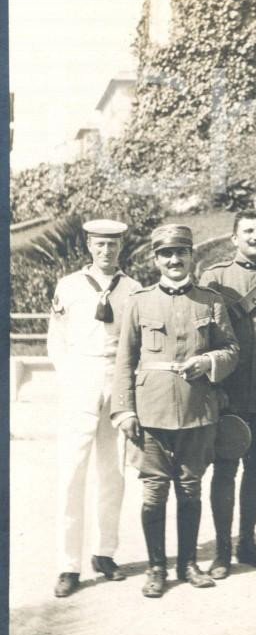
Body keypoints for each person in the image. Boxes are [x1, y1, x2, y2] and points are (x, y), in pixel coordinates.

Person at [111, 224, 239, 598]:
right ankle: (156, 567)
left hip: (198, 409)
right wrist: (124, 411)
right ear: (156, 260)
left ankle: (187, 564)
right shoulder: (139, 301)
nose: (174, 260)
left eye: (181, 253)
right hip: (150, 412)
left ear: (191, 257)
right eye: (166, 254)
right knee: (153, 494)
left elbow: (232, 349)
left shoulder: (211, 301)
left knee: (189, 488)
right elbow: (124, 362)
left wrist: (210, 361)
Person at [47, 218, 141, 599]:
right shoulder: (69, 287)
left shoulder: (133, 289)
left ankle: (105, 553)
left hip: (116, 378)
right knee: (72, 473)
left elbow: (133, 343)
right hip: (80, 376)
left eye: (113, 245)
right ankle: (68, 565)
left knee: (113, 472)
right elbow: (57, 340)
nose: (106, 252)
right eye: (100, 245)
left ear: (120, 247)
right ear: (89, 245)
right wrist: (71, 378)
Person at [199, 209, 256, 577]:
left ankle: (247, 543)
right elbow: (203, 335)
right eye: (248, 231)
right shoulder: (215, 278)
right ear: (234, 237)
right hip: (229, 392)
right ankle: (222, 551)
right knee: (225, 468)